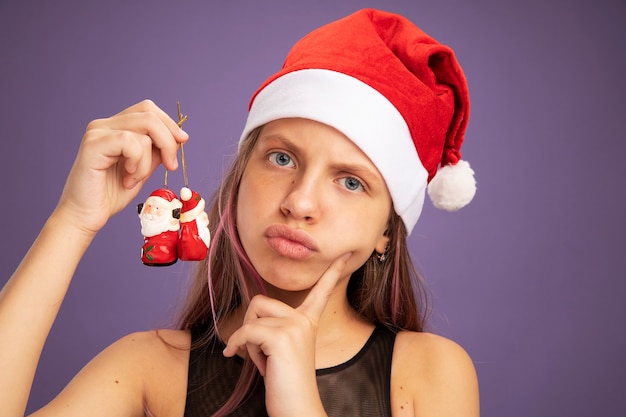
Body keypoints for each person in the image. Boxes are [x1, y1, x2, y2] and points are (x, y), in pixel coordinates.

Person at [0, 8, 479, 417]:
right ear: (238, 180)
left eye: (351, 181)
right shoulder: (148, 368)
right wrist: (72, 220)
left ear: (387, 234)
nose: (300, 202)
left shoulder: (429, 374)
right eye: (282, 158)